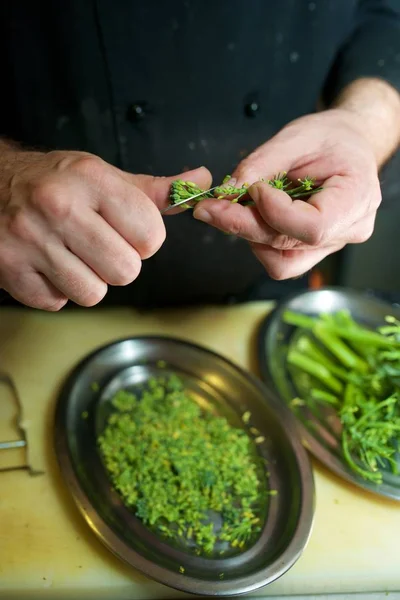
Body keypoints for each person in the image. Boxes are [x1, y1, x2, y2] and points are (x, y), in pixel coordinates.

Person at [0, 0, 399, 311]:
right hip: (40, 280)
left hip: (258, 296)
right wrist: (7, 178)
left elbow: (385, 17)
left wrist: (362, 126)